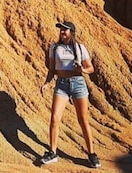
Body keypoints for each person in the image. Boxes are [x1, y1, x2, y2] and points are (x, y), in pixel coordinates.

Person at [39, 21, 101, 169]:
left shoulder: (80, 48)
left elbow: (90, 68)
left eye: (64, 30)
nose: (62, 32)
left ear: (71, 32)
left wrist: (83, 70)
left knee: (83, 119)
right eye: (61, 30)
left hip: (78, 83)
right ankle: (52, 152)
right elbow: (52, 69)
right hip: (61, 84)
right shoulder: (54, 48)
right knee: (54, 118)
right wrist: (47, 83)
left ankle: (91, 154)